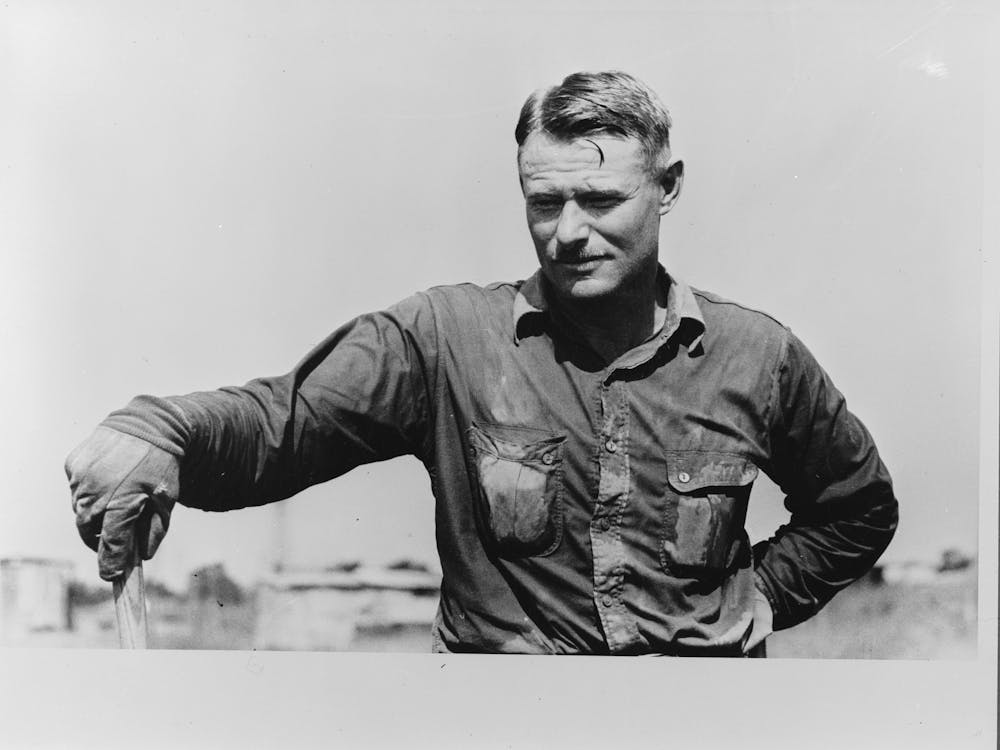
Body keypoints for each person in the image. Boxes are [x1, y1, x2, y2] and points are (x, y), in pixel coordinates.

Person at [65, 70, 898, 656]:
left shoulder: (758, 354)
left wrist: (768, 593)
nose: (569, 231)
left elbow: (857, 509)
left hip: (699, 724)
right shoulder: (444, 338)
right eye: (544, 202)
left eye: (602, 200)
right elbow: (281, 423)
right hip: (497, 723)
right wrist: (159, 430)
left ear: (668, 186)